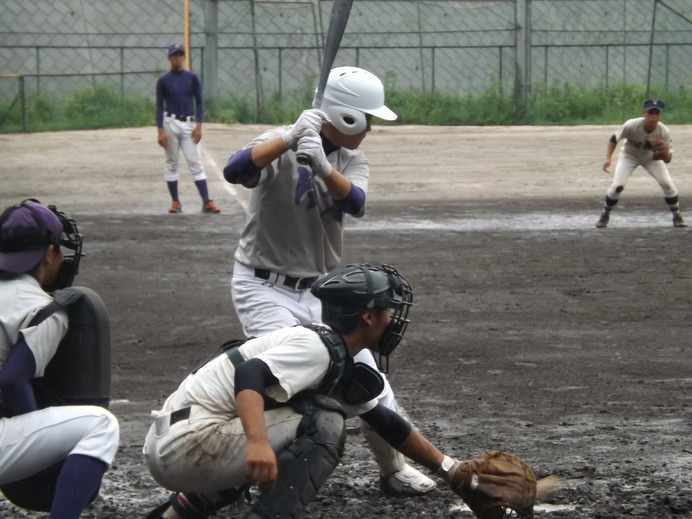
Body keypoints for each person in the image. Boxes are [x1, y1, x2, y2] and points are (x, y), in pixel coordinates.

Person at [222, 66, 436, 496]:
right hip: (262, 287)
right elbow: (235, 171)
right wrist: (287, 139)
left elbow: (354, 202)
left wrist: (321, 165)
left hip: (322, 292)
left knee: (365, 376)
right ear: (347, 117)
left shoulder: (353, 159)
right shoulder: (279, 140)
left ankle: (393, 468)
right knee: (293, 373)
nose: (371, 127)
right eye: (367, 118)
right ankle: (239, 468)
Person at [143, 264, 467, 519]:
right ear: (368, 317)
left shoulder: (331, 350)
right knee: (323, 422)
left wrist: (451, 470)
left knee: (295, 419)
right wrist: (256, 444)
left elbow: (383, 419)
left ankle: (176, 513)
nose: (393, 319)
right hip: (187, 443)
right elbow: (249, 373)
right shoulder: (316, 349)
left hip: (176, 439)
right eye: (387, 310)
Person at [0, 199, 119, 519]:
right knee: (100, 425)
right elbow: (12, 379)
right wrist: (42, 453)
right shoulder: (42, 307)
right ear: (49, 253)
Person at [596, 97, 686, 228]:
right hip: (629, 156)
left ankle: (677, 216)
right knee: (618, 186)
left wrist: (664, 154)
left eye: (656, 113)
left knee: (667, 183)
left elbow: (668, 159)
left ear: (661, 115)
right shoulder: (631, 125)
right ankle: (605, 214)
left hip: (650, 158)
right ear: (644, 113)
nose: (653, 116)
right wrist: (608, 158)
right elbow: (614, 138)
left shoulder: (663, 131)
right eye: (650, 112)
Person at [156, 42, 220, 214]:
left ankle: (207, 201)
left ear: (184, 57)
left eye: (180, 55)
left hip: (188, 123)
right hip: (170, 122)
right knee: (171, 163)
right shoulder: (163, 80)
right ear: (169, 58)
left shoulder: (192, 78)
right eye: (174, 55)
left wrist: (199, 125)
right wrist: (160, 130)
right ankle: (175, 202)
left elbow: (199, 102)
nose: (177, 58)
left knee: (195, 162)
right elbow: (159, 106)